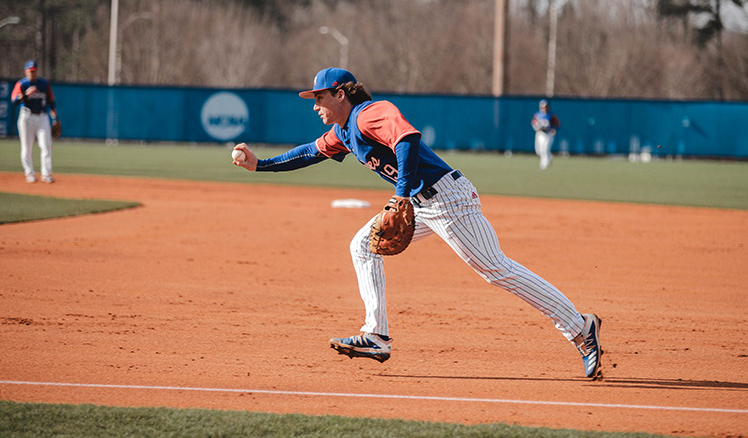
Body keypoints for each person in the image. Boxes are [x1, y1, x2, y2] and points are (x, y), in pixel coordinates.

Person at [233, 68, 602, 379]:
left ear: (341, 93)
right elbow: (309, 152)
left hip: (447, 199)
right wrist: (260, 164)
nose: (315, 106)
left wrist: (400, 195)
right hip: (421, 203)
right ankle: (376, 334)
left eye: (320, 98)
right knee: (363, 245)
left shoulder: (368, 113)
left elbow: (407, 139)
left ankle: (580, 327)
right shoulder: (344, 131)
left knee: (496, 270)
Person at [10, 60, 59, 183]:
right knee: (27, 148)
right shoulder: (22, 84)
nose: (32, 73)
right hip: (27, 116)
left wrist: (54, 117)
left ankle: (46, 174)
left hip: (42, 116)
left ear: (37, 71)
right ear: (26, 72)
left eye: (34, 71)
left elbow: (51, 101)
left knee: (46, 146)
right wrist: (26, 95)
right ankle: (29, 173)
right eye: (30, 71)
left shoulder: (44, 83)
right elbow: (14, 101)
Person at [531, 99, 560, 170]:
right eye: (543, 107)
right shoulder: (537, 115)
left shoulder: (551, 115)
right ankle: (549, 157)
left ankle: (544, 164)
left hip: (548, 134)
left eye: (546, 106)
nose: (545, 108)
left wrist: (554, 130)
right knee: (539, 151)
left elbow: (557, 124)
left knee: (545, 149)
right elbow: (533, 122)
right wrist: (536, 127)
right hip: (540, 134)